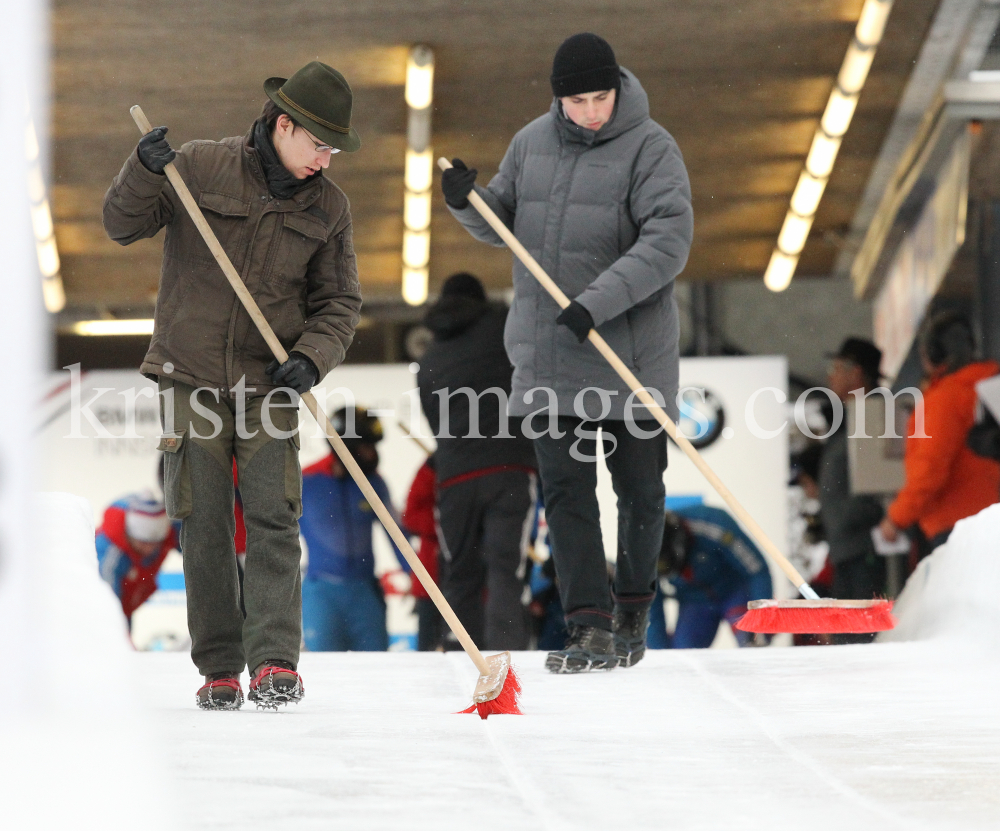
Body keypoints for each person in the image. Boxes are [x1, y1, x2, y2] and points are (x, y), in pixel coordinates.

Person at [103, 61, 363, 710]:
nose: (326, 161)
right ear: (285, 125)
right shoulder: (199, 166)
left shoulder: (330, 208)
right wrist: (143, 167)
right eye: (320, 145)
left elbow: (340, 304)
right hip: (189, 376)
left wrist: (311, 357)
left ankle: (275, 661)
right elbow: (120, 224)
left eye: (333, 149)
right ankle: (219, 666)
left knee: (275, 516)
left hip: (271, 384)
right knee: (205, 520)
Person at [440, 33, 693, 672]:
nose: (589, 112)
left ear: (617, 88)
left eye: (599, 97)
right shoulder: (531, 144)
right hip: (551, 359)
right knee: (567, 495)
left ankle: (634, 606)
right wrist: (467, 202)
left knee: (639, 491)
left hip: (629, 359)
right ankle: (588, 626)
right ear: (558, 100)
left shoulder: (652, 147)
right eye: (576, 101)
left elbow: (668, 242)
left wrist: (596, 302)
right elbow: (503, 226)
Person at [417, 272, 538, 651]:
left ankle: (460, 651)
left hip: (455, 475)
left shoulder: (430, 357)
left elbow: (434, 420)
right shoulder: (507, 330)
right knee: (506, 568)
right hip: (510, 467)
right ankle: (507, 652)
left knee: (460, 571)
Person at [879, 312, 1000, 559]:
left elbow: (930, 469)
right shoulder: (986, 386)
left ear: (933, 354)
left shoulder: (944, 400)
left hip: (960, 521)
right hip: (988, 517)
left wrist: (896, 518)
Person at [299, 407, 411, 652]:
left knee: (377, 670)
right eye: (366, 446)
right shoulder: (305, 481)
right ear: (346, 446)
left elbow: (397, 535)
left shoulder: (374, 482)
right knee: (325, 674)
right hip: (321, 595)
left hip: (365, 594)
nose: (373, 454)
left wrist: (413, 575)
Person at [818, 338, 887, 620]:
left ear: (856, 373)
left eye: (836, 368)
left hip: (865, 549)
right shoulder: (852, 419)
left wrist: (849, 516)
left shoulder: (876, 418)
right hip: (848, 548)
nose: (830, 376)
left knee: (863, 633)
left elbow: (880, 486)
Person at [648, 504, 772, 649]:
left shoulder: (714, 524)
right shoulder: (642, 556)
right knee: (682, 653)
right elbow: (651, 601)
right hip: (695, 601)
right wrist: (661, 651)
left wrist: (762, 617)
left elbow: (756, 570)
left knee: (750, 643)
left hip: (735, 591)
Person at [96, 492, 178, 626]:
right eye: (143, 543)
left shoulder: (170, 532)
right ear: (129, 535)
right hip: (106, 607)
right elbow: (107, 613)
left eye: (155, 543)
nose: (149, 550)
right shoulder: (108, 556)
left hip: (128, 603)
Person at [401, 455, 444, 651]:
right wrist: (445, 525)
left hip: (470, 582)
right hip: (431, 579)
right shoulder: (432, 467)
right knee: (428, 651)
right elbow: (411, 515)